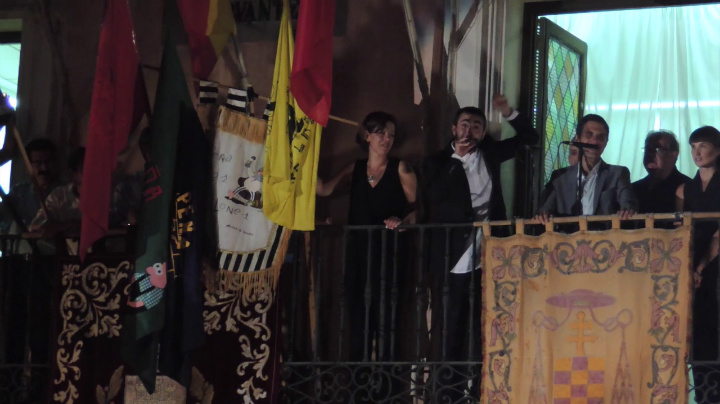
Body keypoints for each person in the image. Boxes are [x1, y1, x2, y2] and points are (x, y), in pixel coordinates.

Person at [422, 94, 539, 400]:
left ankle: (479, 391)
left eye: (476, 126)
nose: (469, 130)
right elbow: (433, 197)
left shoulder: (491, 153)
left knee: (483, 323)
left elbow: (530, 137)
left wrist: (508, 112)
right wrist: (456, 160)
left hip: (490, 252)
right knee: (450, 324)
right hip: (452, 254)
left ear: (483, 132)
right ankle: (445, 392)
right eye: (464, 124)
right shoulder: (437, 161)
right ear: (454, 129)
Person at [317, 111, 418, 401]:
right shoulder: (356, 168)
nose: (387, 139)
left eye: (391, 134)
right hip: (358, 255)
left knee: (388, 324)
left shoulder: (401, 168)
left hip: (390, 256)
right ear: (367, 135)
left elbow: (416, 209)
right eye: (381, 132)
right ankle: (358, 392)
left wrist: (402, 222)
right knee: (358, 324)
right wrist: (298, 161)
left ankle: (389, 393)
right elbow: (324, 189)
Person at [674, 126, 720, 403]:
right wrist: (688, 268)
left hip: (713, 266)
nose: (697, 152)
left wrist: (700, 267)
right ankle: (704, 396)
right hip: (691, 268)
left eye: (703, 145)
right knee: (699, 334)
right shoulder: (685, 189)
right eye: (693, 146)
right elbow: (679, 232)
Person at [535, 114, 637, 224]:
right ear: (578, 139)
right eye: (589, 135)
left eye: (601, 137)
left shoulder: (618, 174)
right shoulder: (560, 177)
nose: (594, 141)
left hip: (604, 235)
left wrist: (627, 210)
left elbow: (628, 202)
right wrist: (544, 214)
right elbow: (545, 209)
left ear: (606, 143)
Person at [29, 147, 84, 238]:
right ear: (73, 174)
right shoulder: (59, 196)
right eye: (85, 169)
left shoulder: (107, 196)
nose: (93, 173)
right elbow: (36, 226)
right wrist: (67, 225)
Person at [632, 130, 690, 215]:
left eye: (657, 150)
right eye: (648, 150)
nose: (650, 155)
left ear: (674, 155)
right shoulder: (633, 189)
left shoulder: (688, 188)